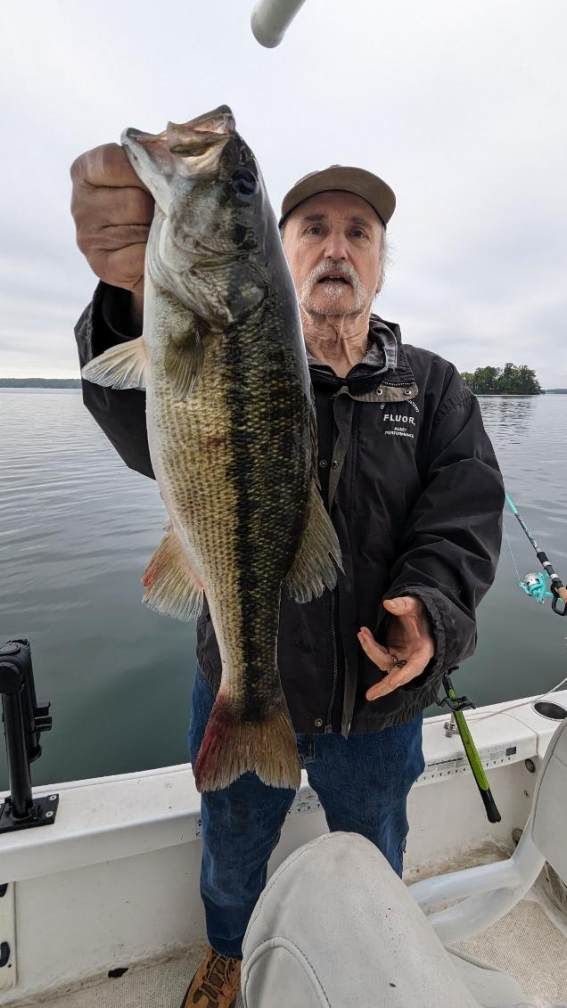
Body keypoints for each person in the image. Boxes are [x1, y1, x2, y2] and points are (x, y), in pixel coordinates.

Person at [70, 148, 505, 1008]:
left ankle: (365, 949)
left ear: (380, 259)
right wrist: (125, 303)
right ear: (278, 252)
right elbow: (133, 417)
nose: (336, 247)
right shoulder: (230, 356)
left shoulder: (434, 387)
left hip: (377, 702)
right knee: (230, 842)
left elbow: (462, 517)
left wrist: (431, 612)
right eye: (313, 229)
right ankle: (227, 951)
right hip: (239, 678)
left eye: (358, 232)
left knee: (374, 842)